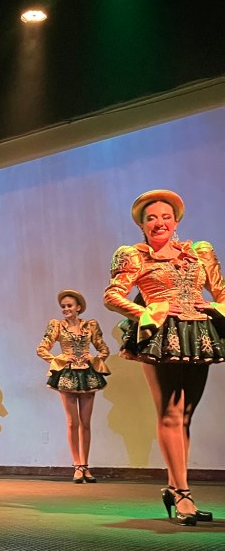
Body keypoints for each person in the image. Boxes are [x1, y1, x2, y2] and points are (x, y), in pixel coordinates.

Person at [104, 189, 225, 524]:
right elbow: (112, 296)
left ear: (176, 221)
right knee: (170, 414)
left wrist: (212, 306)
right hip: (161, 336)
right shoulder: (134, 256)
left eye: (166, 217)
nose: (160, 223)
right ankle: (183, 494)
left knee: (185, 416)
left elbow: (222, 292)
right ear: (142, 225)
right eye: (152, 218)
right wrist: (152, 309)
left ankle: (175, 488)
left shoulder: (199, 253)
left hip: (198, 335)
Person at [36, 290, 110, 484]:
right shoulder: (57, 326)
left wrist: (93, 358)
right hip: (67, 375)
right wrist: (60, 359)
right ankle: (77, 465)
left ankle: (85, 465)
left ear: (78, 307)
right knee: (72, 423)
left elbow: (103, 349)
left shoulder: (90, 326)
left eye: (69, 305)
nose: (66, 309)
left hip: (87, 375)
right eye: (63, 306)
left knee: (86, 423)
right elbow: (41, 348)